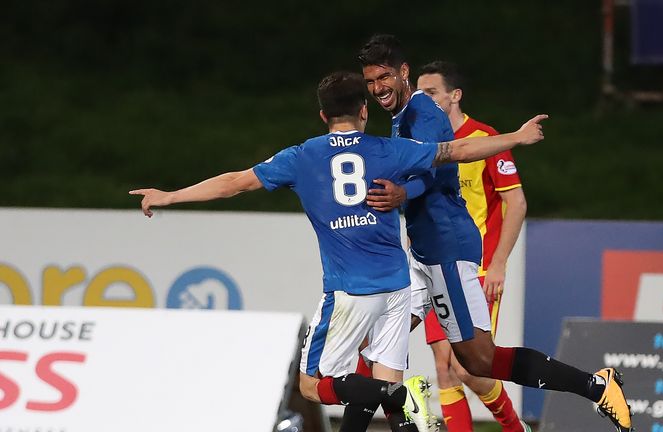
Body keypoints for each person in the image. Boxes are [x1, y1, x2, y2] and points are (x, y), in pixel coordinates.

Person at [129, 71, 548, 432]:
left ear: (323, 116)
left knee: (313, 385)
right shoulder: (385, 149)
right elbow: (455, 151)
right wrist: (518, 137)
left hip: (350, 290)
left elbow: (234, 182)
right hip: (399, 288)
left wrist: (169, 196)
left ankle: (401, 397)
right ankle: (399, 397)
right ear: (364, 111)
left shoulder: (303, 156)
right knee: (381, 376)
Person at [354, 34, 633, 432]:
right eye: (370, 82)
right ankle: (410, 413)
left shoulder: (424, 113)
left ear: (403, 73)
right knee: (374, 342)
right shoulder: (403, 116)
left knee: (478, 362)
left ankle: (595, 386)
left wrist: (402, 192)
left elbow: (441, 170)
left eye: (384, 77)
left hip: (444, 248)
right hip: (422, 252)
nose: (378, 88)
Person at [416, 60, 528, 432]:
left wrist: (498, 264)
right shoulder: (425, 143)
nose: (423, 99)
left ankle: (514, 427)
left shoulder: (484, 139)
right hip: (437, 267)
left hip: (477, 269)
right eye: (419, 93)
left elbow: (517, 202)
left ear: (455, 95)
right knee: (443, 366)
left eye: (431, 92)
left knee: (468, 366)